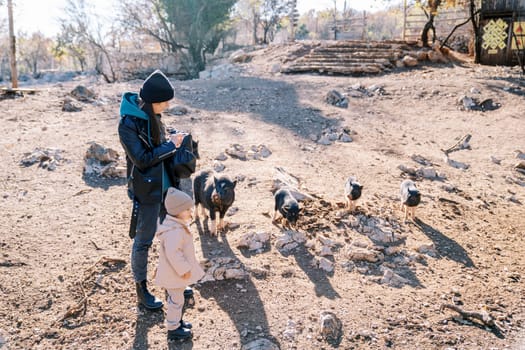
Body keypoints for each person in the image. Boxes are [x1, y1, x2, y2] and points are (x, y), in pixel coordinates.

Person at [118, 69, 186, 310]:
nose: (167, 106)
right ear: (151, 102)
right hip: (146, 191)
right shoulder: (128, 124)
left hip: (166, 187)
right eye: (164, 102)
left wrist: (172, 139)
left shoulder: (152, 114)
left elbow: (157, 145)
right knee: (143, 241)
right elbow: (142, 159)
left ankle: (172, 280)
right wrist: (171, 145)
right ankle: (142, 291)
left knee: (170, 235)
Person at [155, 187, 205, 342]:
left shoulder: (176, 225)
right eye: (187, 210)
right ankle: (173, 328)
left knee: (178, 299)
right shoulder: (174, 231)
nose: (191, 212)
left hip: (174, 274)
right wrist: (184, 269)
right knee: (176, 301)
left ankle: (177, 321)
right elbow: (173, 254)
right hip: (174, 274)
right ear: (178, 211)